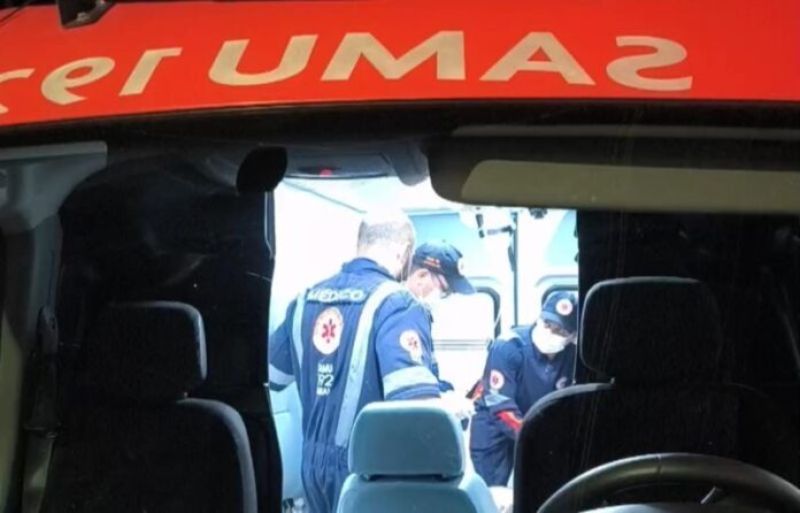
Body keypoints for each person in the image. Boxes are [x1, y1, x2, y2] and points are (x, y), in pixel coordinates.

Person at [268, 210, 442, 513]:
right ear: (403, 252)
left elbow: (274, 375)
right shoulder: (398, 304)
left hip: (310, 466)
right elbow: (417, 409)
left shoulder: (304, 300)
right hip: (368, 471)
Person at [469, 291, 579, 486]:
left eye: (560, 331)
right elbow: (500, 406)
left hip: (536, 422)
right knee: (492, 489)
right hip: (494, 424)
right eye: (547, 324)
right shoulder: (508, 346)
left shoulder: (574, 356)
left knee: (539, 486)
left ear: (572, 336)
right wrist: (534, 435)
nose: (550, 332)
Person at [405, 241, 476, 393]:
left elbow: (427, 373)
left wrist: (446, 391)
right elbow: (408, 383)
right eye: (444, 289)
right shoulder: (399, 315)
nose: (443, 296)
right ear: (422, 276)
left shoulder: (422, 316)